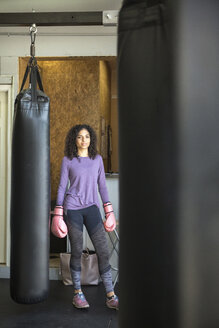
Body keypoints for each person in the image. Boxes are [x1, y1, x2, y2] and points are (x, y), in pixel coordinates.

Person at [55, 124, 118, 310]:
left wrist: (109, 211)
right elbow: (61, 187)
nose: (84, 140)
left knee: (103, 250)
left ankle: (111, 295)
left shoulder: (97, 159)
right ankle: (77, 293)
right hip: (73, 208)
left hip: (92, 208)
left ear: (91, 139)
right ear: (74, 139)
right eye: (80, 137)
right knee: (76, 250)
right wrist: (58, 213)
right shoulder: (68, 160)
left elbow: (102, 187)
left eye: (87, 136)